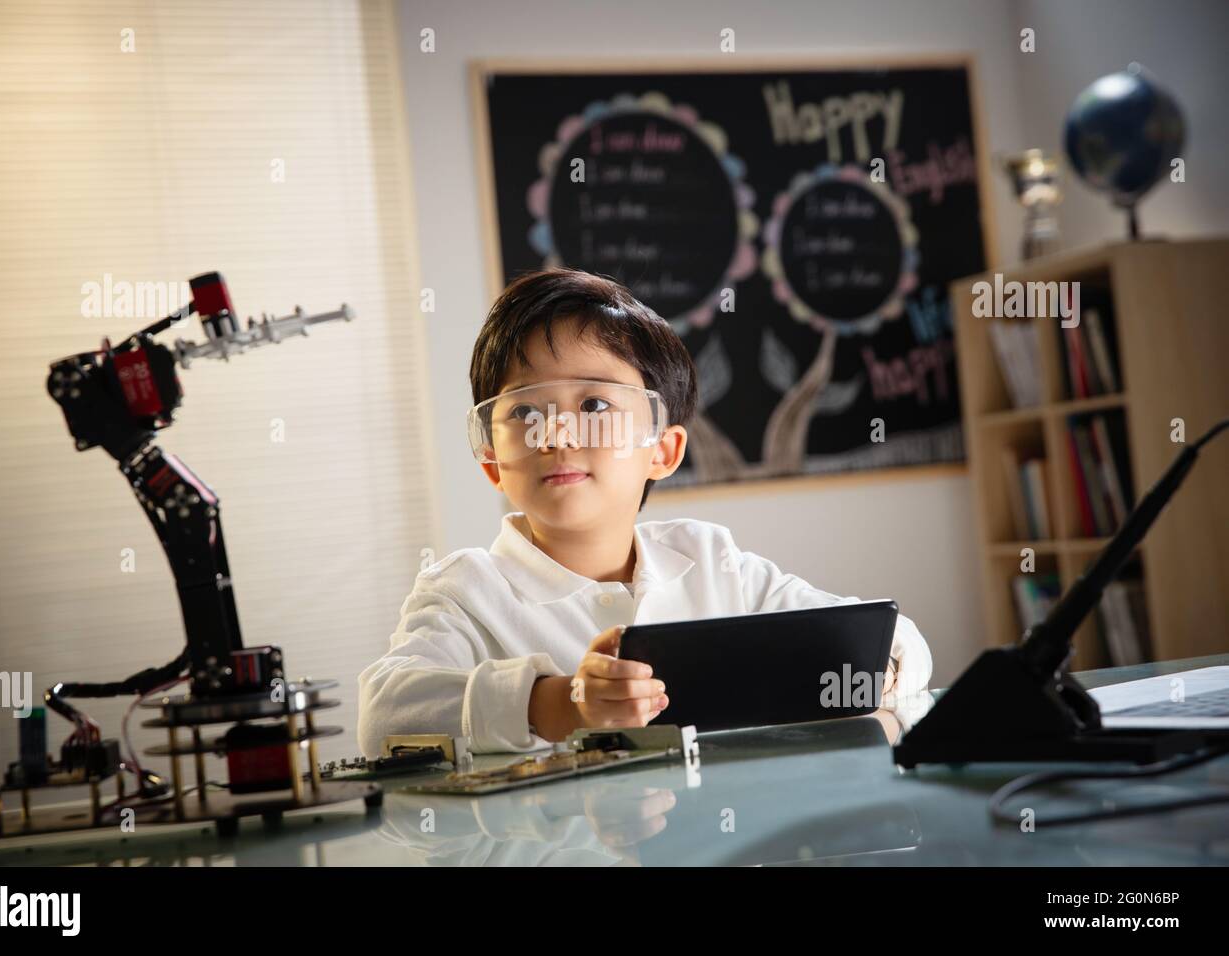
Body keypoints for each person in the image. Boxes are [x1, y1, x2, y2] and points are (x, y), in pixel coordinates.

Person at [356, 269, 932, 756]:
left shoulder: (709, 561)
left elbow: (887, 638)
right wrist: (556, 702)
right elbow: (383, 714)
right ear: (492, 462)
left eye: (595, 404)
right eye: (526, 411)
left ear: (663, 451)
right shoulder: (465, 591)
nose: (556, 432)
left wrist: (882, 680)